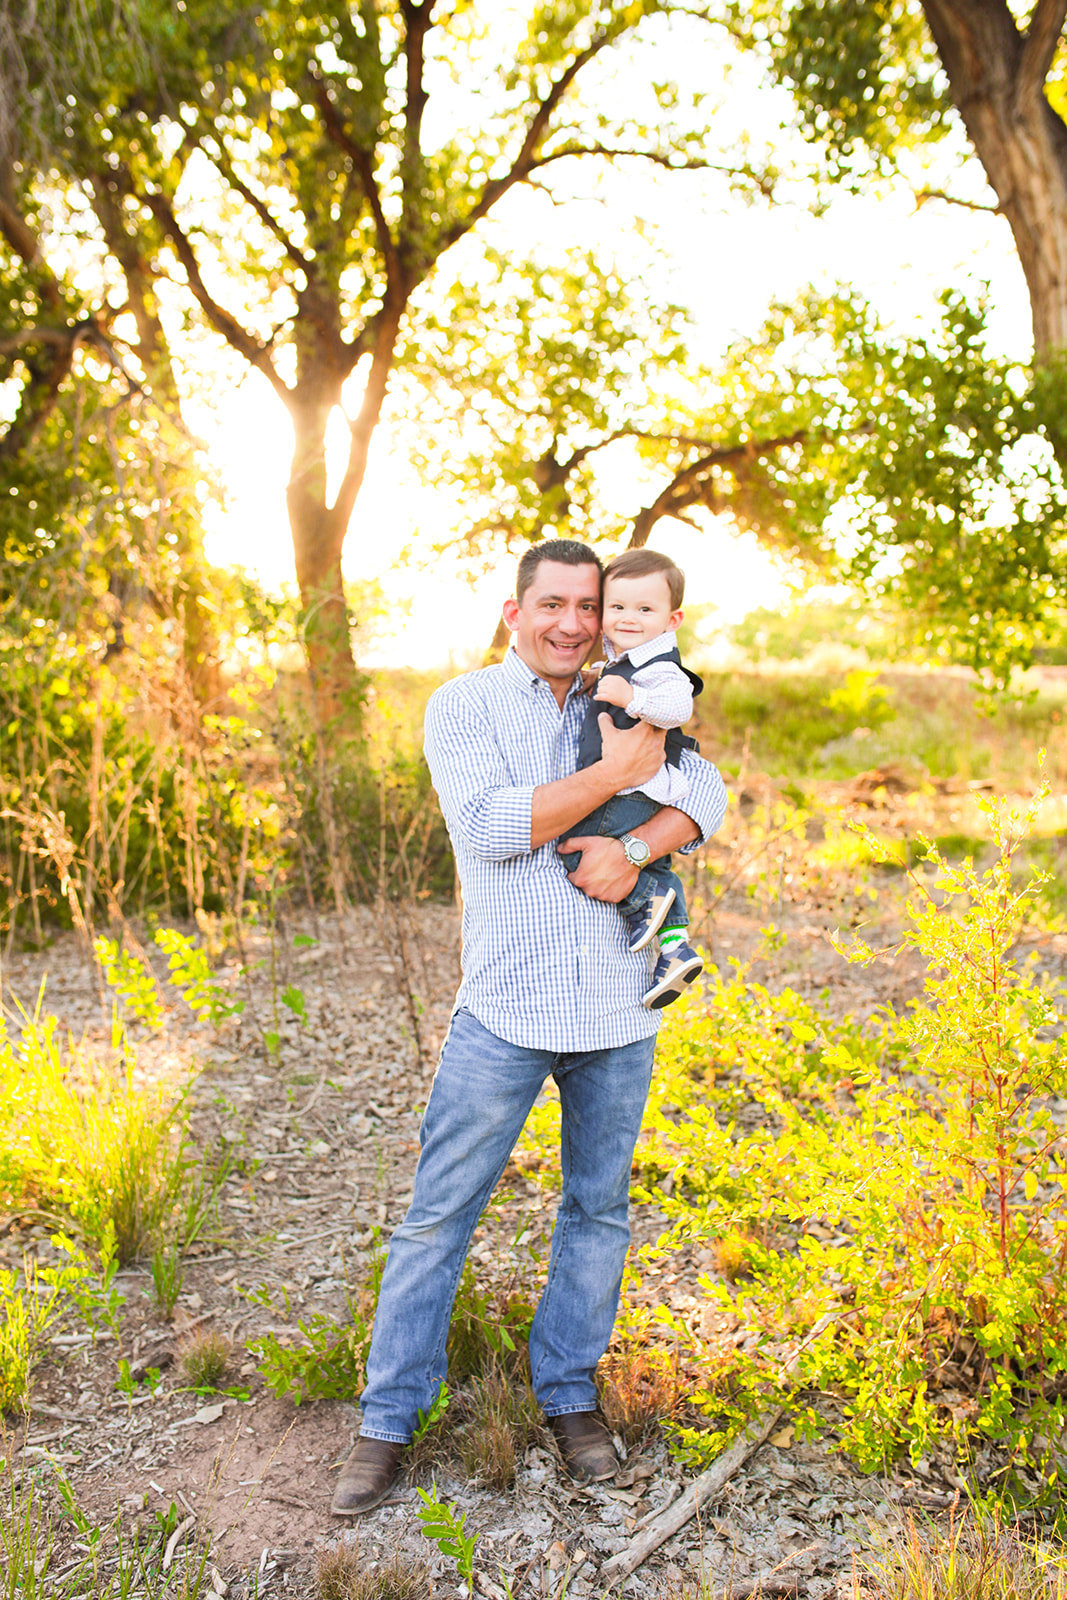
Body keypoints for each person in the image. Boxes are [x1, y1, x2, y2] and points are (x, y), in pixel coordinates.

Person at [330, 539, 727, 1517]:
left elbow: (707, 793)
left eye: (586, 606)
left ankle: (567, 1393)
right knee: (438, 1215)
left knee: (596, 1212)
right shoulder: (463, 706)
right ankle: (387, 1420)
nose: (569, 621)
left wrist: (636, 844)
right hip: (501, 1011)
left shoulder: (625, 693)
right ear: (514, 613)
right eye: (549, 603)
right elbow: (492, 827)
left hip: (615, 1011)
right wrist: (618, 775)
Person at [558, 548, 704, 1010]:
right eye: (617, 607)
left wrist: (631, 697)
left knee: (577, 845)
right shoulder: (624, 660)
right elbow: (617, 675)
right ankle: (675, 949)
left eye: (645, 609)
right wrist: (601, 676)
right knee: (657, 861)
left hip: (633, 790)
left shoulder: (659, 667)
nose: (628, 618)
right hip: (638, 789)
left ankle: (646, 897)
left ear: (672, 619)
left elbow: (680, 707)